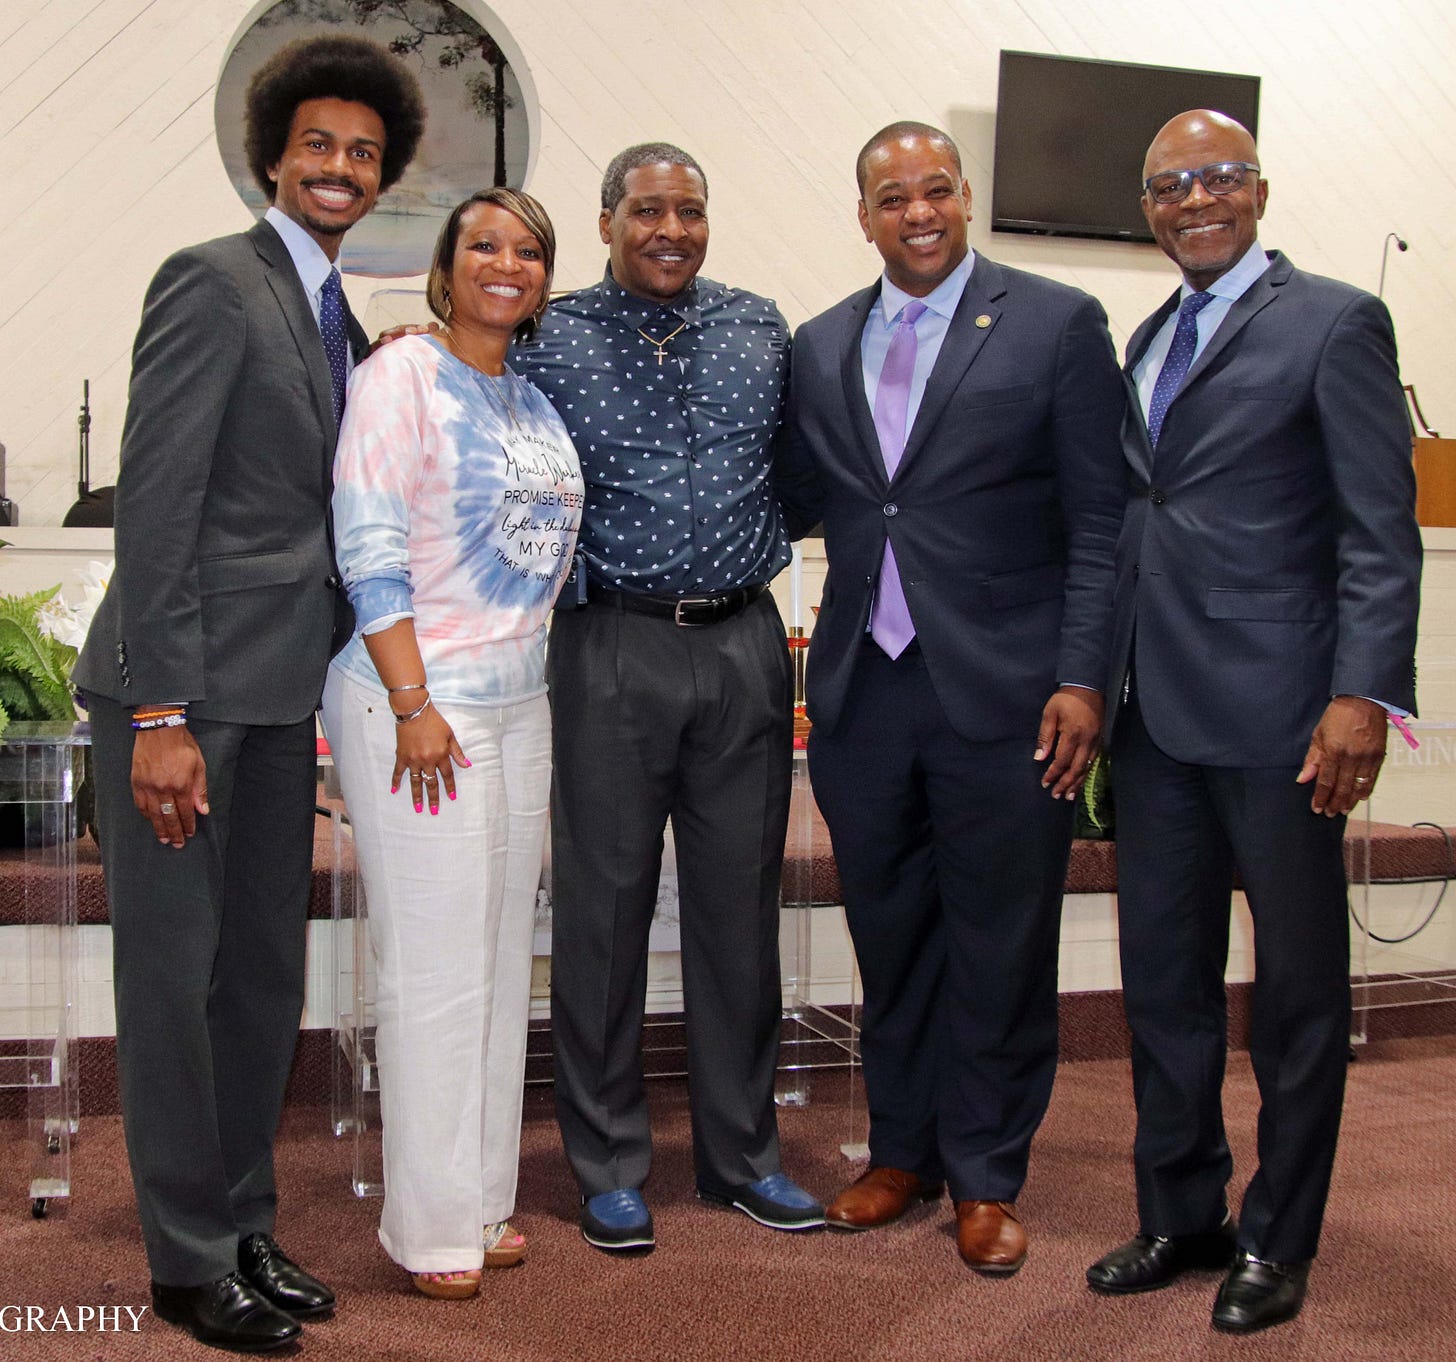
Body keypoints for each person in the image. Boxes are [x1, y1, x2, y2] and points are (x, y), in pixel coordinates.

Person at [72, 36, 424, 1352]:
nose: (340, 167)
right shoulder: (212, 282)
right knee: (176, 979)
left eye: (364, 153)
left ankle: (244, 1220)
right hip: (187, 696)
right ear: (273, 153)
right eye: (319, 144)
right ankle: (183, 1256)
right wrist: (160, 713)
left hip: (281, 701)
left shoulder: (332, 313)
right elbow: (156, 506)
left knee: (261, 981)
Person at [1083, 110, 1420, 1333]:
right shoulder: (1151, 331)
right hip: (1153, 716)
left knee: (1295, 995)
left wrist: (1361, 697)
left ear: (1260, 190)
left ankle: (1279, 1240)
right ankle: (1183, 1213)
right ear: (1150, 206)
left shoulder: (1334, 320)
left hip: (1287, 719)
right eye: (1170, 185)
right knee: (1161, 981)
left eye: (1218, 178)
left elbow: (1378, 533)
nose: (1195, 200)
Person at [774, 122, 1126, 1272]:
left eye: (935, 190)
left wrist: (1083, 677)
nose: (916, 211)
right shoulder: (820, 341)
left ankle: (985, 1173)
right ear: (863, 213)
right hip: (863, 699)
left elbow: (1099, 521)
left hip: (1010, 695)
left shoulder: (1056, 322)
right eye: (891, 196)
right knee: (890, 937)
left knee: (1000, 942)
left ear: (964, 197)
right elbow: (805, 497)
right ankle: (900, 1151)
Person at [510, 142, 824, 1251]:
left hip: (742, 644)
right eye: (648, 210)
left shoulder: (758, 326)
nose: (672, 231)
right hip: (609, 648)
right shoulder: (550, 335)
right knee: (601, 915)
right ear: (607, 222)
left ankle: (742, 1158)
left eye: (689, 210)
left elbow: (798, 473)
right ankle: (605, 1163)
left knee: (740, 915)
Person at [322, 188, 581, 1300]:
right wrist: (415, 697)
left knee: (490, 965)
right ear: (446, 262)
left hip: (520, 703)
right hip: (413, 705)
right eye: (484, 244)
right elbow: (368, 545)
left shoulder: (527, 394)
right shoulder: (399, 378)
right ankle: (424, 1226)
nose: (506, 263)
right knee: (431, 972)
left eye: (528, 250)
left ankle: (479, 1196)